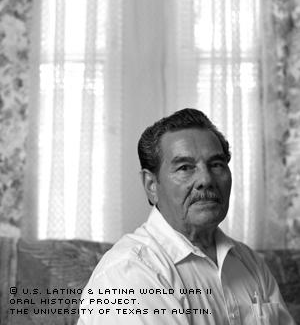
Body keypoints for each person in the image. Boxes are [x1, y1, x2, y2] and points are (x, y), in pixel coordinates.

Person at [77, 108, 295, 325]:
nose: (206, 179)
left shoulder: (250, 262)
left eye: (216, 164)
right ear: (151, 185)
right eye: (185, 167)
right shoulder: (127, 272)